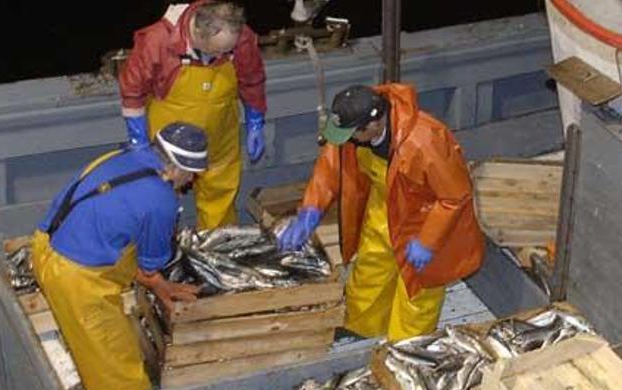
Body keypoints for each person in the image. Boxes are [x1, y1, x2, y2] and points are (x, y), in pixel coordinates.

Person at [279, 84, 485, 341]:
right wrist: (310, 211)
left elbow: (455, 197)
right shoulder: (352, 132)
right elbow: (329, 168)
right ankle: (361, 327)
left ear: (375, 123)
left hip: (427, 219)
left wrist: (428, 241)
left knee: (417, 292)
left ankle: (404, 347)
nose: (347, 140)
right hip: (383, 207)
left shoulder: (427, 139)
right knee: (370, 270)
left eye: (352, 133)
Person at [31, 122, 208, 390]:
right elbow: (150, 264)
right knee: (118, 371)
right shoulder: (160, 199)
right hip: (75, 279)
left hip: (44, 246)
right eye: (192, 175)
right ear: (178, 168)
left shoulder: (119, 156)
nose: (190, 182)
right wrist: (156, 277)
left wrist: (160, 286)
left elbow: (115, 221)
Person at [119, 0, 267, 229]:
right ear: (197, 31)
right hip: (169, 143)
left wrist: (255, 122)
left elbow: (252, 79)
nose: (223, 56)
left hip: (220, 135)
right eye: (216, 50)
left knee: (221, 194)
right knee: (160, 194)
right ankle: (159, 252)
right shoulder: (157, 40)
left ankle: (218, 249)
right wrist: (139, 142)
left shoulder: (241, 38)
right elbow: (132, 92)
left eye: (228, 51)